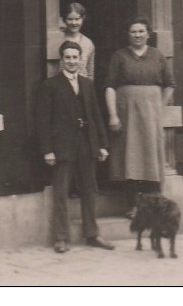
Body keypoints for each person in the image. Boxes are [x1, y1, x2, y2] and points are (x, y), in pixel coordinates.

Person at [35, 41, 115, 253]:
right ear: (61, 60)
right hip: (62, 147)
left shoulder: (87, 84)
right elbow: (43, 121)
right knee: (61, 192)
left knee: (89, 190)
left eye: (75, 57)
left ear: (81, 60)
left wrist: (102, 145)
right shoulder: (50, 85)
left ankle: (92, 234)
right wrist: (47, 150)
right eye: (67, 57)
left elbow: (96, 115)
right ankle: (61, 237)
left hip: (86, 145)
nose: (71, 61)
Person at [103, 16, 176, 218]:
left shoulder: (158, 56)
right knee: (131, 157)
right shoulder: (120, 56)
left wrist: (158, 108)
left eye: (141, 31)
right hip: (127, 113)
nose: (137, 35)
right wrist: (113, 115)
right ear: (128, 35)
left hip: (151, 115)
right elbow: (109, 86)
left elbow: (170, 84)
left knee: (150, 156)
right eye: (133, 32)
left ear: (148, 34)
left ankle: (154, 205)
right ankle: (133, 205)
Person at [60, 2, 96, 80]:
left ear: (83, 19)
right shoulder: (58, 40)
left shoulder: (88, 43)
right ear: (64, 20)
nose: (74, 23)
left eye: (77, 19)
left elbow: (90, 73)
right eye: (70, 19)